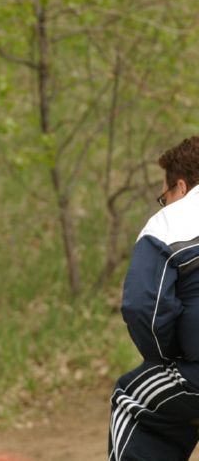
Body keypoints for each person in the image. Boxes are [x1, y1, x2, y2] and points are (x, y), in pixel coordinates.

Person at [108, 136, 199, 461]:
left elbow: (144, 307)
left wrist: (168, 357)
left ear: (181, 186)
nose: (165, 204)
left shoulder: (171, 222)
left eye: (165, 196)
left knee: (134, 398)